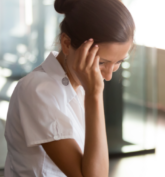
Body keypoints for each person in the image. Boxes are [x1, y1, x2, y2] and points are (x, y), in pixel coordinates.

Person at [4, 0, 135, 176]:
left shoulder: (80, 87)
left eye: (119, 62)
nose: (109, 75)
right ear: (66, 43)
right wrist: (94, 95)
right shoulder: (38, 90)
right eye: (102, 62)